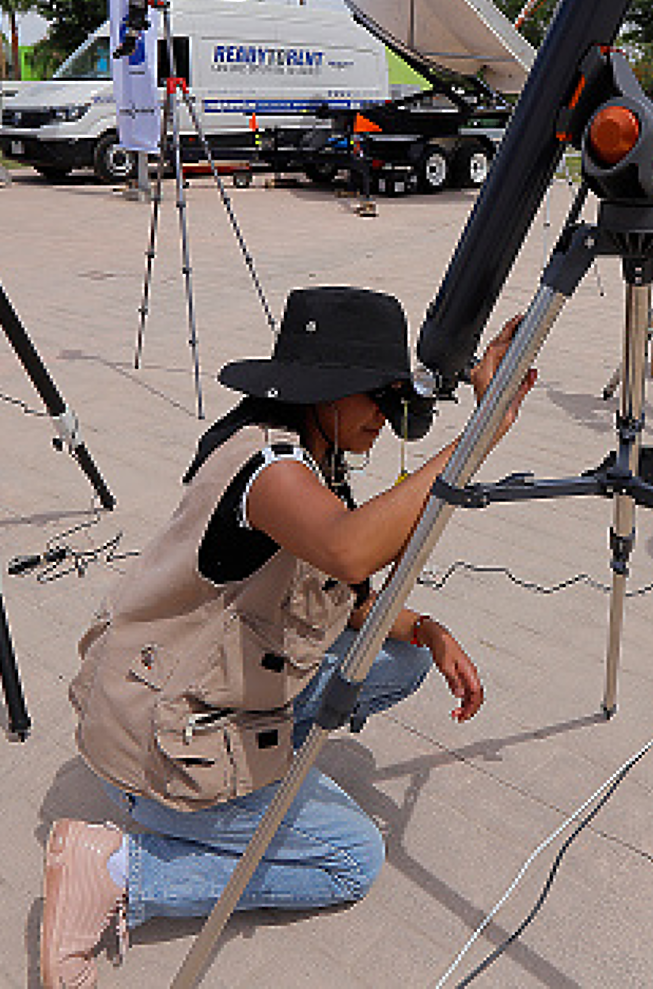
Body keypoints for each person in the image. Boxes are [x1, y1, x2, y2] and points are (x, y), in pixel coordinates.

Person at [38, 286, 534, 988]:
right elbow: (350, 550)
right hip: (154, 747)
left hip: (191, 698)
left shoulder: (312, 454)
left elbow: (353, 599)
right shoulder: (268, 470)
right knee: (351, 859)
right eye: (375, 399)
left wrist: (428, 627)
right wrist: (484, 430)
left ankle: (266, 769)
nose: (386, 423)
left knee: (403, 658)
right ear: (326, 389)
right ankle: (118, 868)